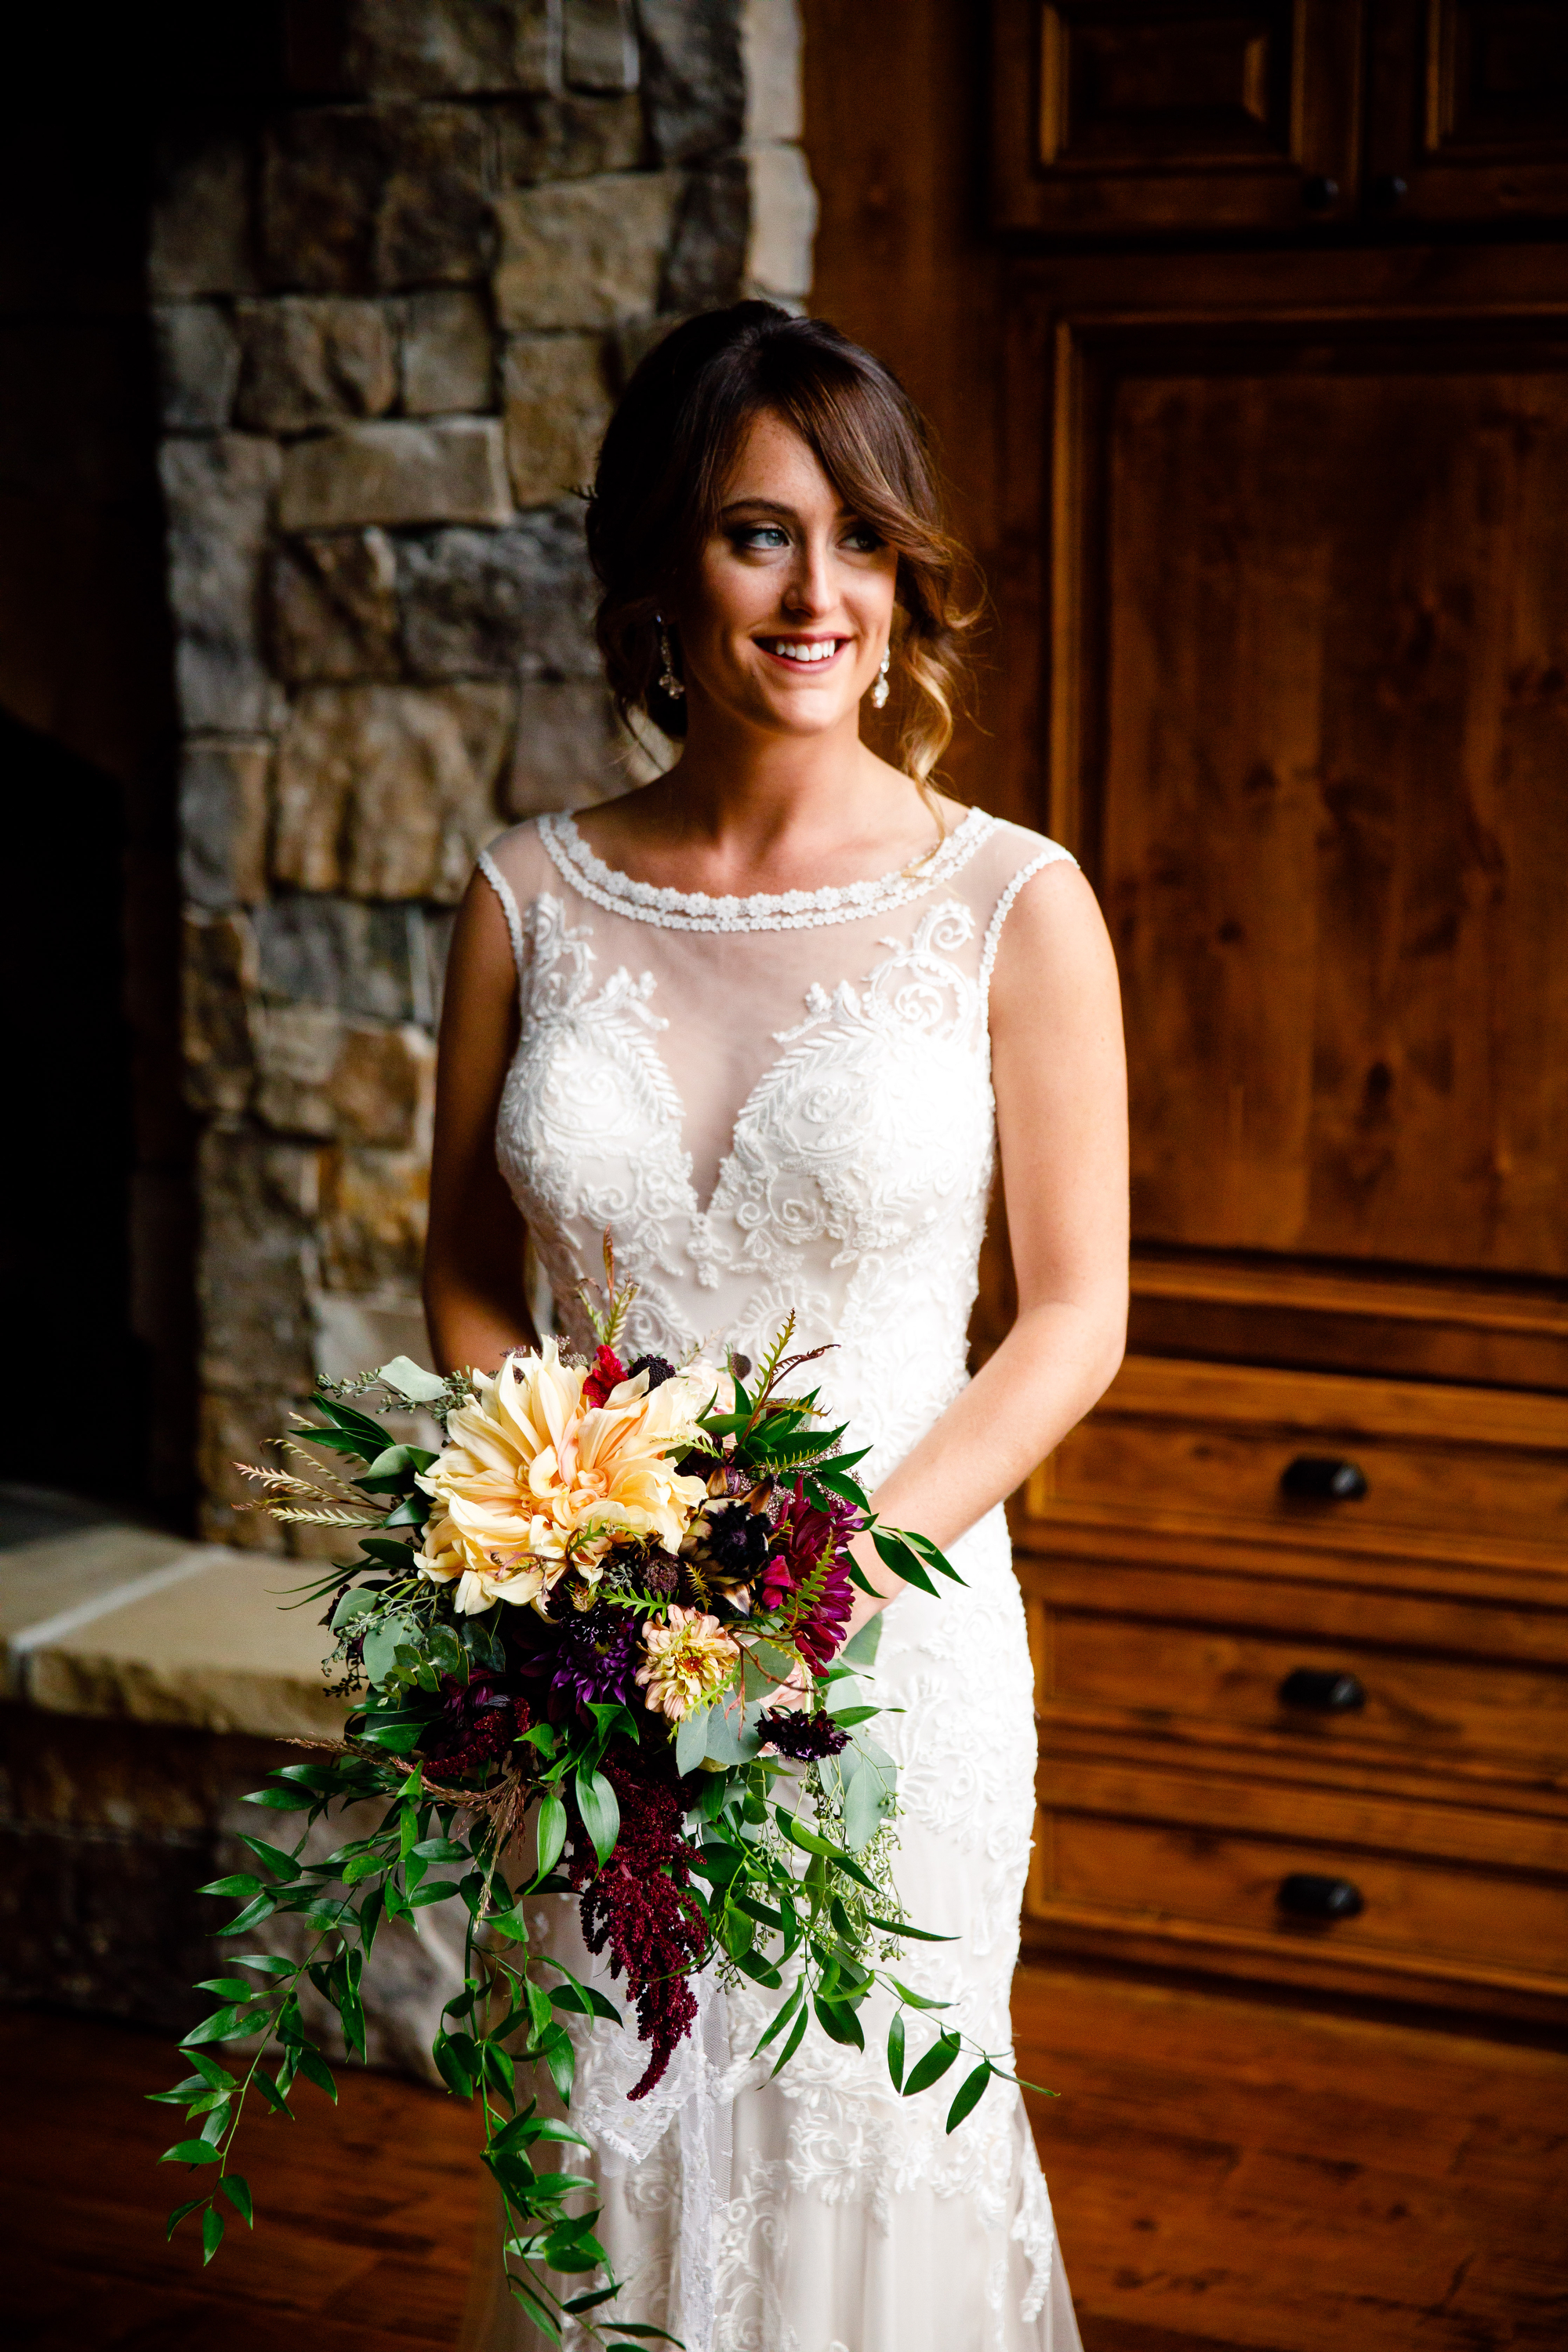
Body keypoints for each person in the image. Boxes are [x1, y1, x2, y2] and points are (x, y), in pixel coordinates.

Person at [424, 301, 1127, 2352]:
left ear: (907, 576)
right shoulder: (528, 893)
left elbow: (1071, 1320)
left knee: (857, 2127)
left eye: (863, 541)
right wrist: (570, 1552)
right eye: (755, 535)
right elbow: (468, 1270)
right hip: (591, 1655)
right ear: (660, 574)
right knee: (611, 2113)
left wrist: (826, 1581)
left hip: (891, 1652)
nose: (819, 593)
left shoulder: (1015, 899)